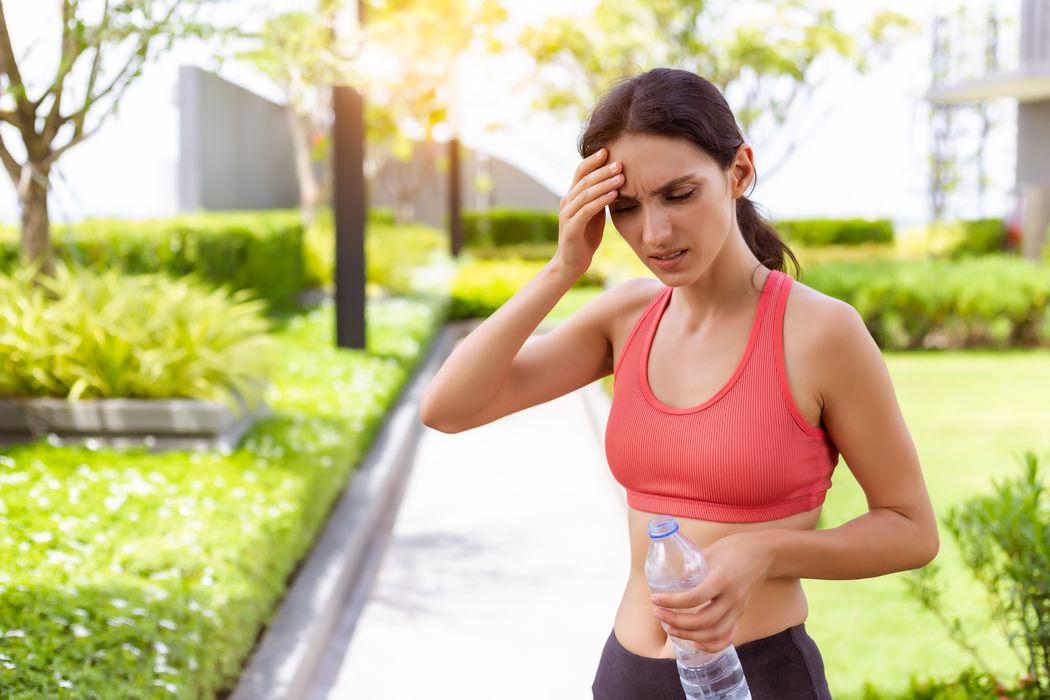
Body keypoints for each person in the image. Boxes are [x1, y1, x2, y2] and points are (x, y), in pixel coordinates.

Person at [419, 67, 940, 699]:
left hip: (760, 679)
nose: (654, 234)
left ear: (739, 171)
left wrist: (767, 553)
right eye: (626, 208)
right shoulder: (627, 317)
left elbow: (910, 527)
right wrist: (563, 267)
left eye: (679, 193)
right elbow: (447, 407)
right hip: (628, 676)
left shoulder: (820, 332)